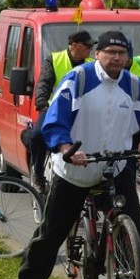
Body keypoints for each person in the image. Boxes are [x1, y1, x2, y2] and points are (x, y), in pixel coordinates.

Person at [12, 31, 140, 279]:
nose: (116, 57)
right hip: (75, 169)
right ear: (96, 53)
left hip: (117, 166)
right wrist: (66, 148)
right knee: (50, 236)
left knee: (134, 228)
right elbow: (55, 119)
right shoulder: (79, 79)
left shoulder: (136, 86)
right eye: (110, 51)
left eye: (122, 53)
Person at [30, 30, 96, 193]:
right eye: (87, 46)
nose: (90, 49)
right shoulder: (54, 59)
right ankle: (38, 174)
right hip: (56, 108)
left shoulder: (92, 64)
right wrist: (41, 101)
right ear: (74, 45)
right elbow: (44, 82)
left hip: (83, 109)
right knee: (37, 135)